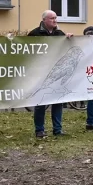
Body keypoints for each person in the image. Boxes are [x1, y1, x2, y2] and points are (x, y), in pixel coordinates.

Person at [28, 10, 68, 138]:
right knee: (41, 103)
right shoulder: (34, 34)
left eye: (56, 18)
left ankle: (57, 129)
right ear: (44, 20)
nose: (55, 20)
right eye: (52, 18)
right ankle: (39, 129)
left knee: (58, 102)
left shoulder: (59, 34)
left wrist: (69, 39)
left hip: (57, 73)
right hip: (41, 73)